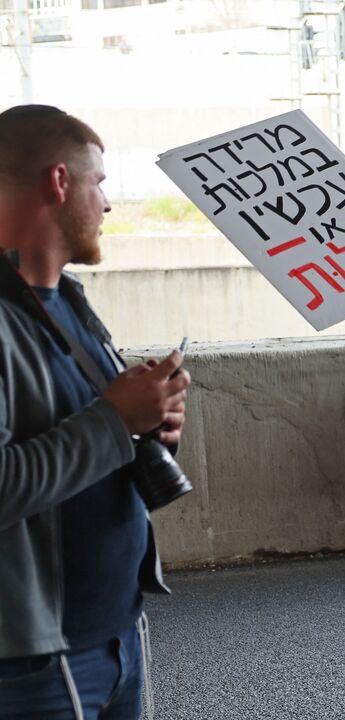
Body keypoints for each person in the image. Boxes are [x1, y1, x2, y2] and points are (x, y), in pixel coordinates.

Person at [0, 104, 192, 719]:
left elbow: (90, 434)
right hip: (33, 667)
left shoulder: (69, 301)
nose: (108, 206)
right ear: (59, 183)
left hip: (116, 635)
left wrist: (151, 424)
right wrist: (114, 421)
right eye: (100, 183)